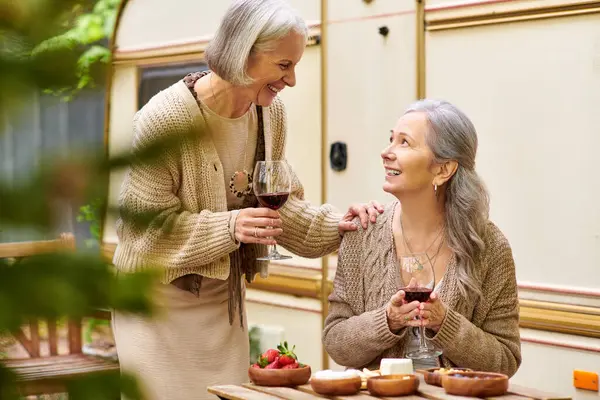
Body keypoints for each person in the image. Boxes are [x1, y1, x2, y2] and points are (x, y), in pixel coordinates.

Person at [110, 1, 383, 399]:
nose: (291, 80)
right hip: (156, 307)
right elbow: (140, 230)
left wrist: (338, 224)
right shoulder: (164, 120)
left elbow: (279, 204)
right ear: (243, 54)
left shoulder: (270, 116)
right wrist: (230, 226)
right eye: (283, 65)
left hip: (222, 305)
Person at [322, 99, 521, 377]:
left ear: (443, 169)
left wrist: (445, 324)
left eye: (404, 143)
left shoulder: (487, 246)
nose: (386, 152)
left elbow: (505, 360)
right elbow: (336, 343)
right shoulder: (363, 232)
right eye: (391, 139)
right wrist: (387, 321)